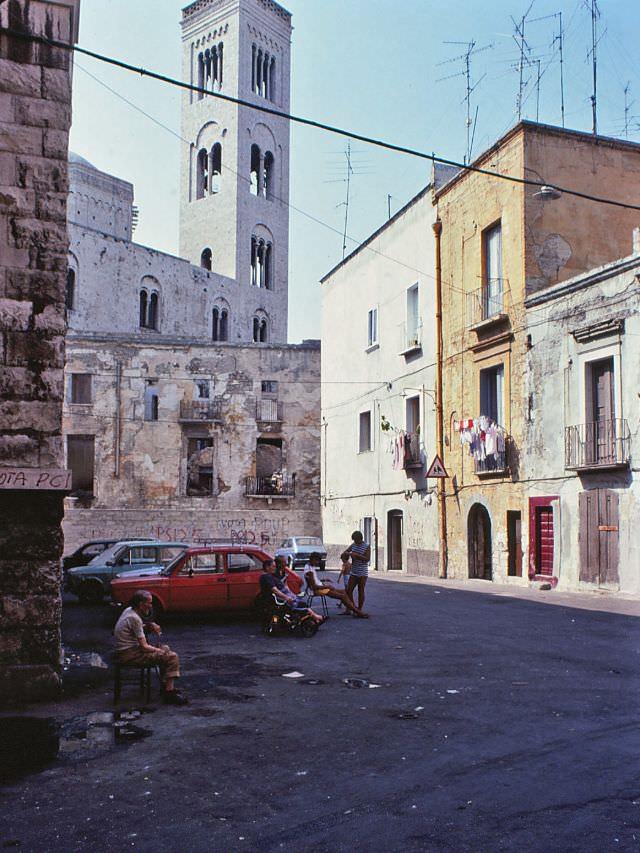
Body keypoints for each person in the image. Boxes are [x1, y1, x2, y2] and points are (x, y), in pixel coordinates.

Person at [113, 589, 187, 705]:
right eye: (149, 603)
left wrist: (150, 625)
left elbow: (138, 628)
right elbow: (144, 647)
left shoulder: (129, 611)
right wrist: (159, 651)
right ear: (141, 604)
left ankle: (166, 686)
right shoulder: (134, 618)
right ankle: (169, 693)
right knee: (171, 656)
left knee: (165, 648)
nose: (150, 606)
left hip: (127, 650)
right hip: (129, 654)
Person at [260, 558, 324, 623]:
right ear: (267, 567)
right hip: (280, 598)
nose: (275, 568)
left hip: (285, 595)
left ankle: (316, 618)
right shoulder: (266, 577)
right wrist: (287, 598)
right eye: (273, 566)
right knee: (301, 604)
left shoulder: (271, 576)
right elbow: (275, 590)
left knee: (302, 603)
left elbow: (283, 585)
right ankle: (317, 618)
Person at [304, 552, 368, 618]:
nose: (317, 563)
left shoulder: (309, 566)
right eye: (317, 561)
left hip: (320, 588)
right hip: (317, 590)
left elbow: (314, 581)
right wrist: (327, 586)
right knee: (342, 596)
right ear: (313, 559)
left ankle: (351, 609)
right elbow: (314, 587)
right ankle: (358, 612)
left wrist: (324, 580)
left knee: (344, 592)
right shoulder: (309, 571)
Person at [341, 530, 370, 613]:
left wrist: (357, 556)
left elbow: (367, 559)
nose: (355, 542)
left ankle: (359, 609)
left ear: (360, 539)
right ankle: (352, 606)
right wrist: (347, 554)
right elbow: (346, 551)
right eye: (354, 540)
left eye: (356, 540)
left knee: (360, 591)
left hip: (362, 572)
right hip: (354, 571)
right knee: (348, 590)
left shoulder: (366, 546)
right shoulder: (353, 545)